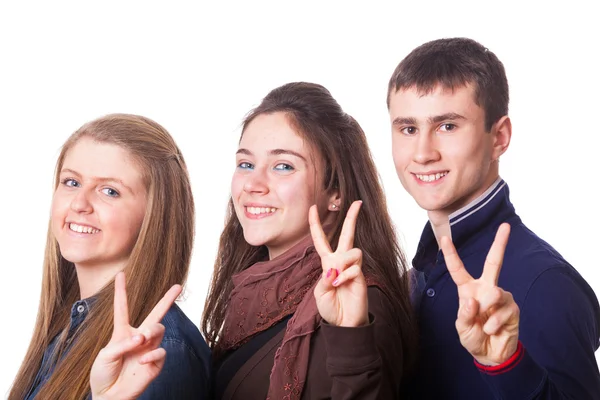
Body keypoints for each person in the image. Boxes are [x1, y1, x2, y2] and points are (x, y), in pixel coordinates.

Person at [386, 37, 600, 399]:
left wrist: (506, 363)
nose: (422, 153)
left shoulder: (546, 285)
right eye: (408, 129)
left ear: (499, 137)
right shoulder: (419, 271)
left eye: (447, 126)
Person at [199, 81, 418, 399]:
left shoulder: (360, 307)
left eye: (283, 166)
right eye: (246, 164)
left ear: (335, 193)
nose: (253, 184)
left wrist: (351, 337)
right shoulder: (249, 296)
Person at [9, 114, 210, 400]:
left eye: (109, 191)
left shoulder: (159, 349)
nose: (79, 203)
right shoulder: (67, 328)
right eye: (71, 182)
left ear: (154, 216)